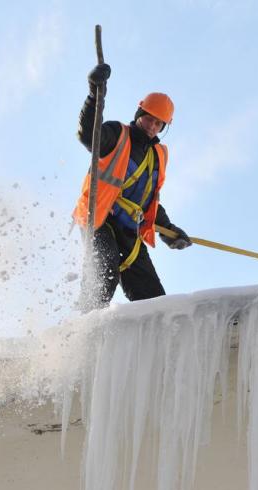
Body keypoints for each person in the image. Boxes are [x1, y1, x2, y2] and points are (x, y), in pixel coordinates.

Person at [74, 62, 192, 309]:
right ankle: (82, 331)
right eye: (149, 119)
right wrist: (95, 94)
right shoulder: (117, 134)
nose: (152, 126)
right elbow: (88, 135)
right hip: (99, 219)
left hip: (129, 232)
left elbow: (149, 200)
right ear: (140, 114)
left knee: (155, 299)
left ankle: (160, 343)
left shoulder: (158, 155)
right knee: (104, 274)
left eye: (159, 124)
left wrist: (168, 230)